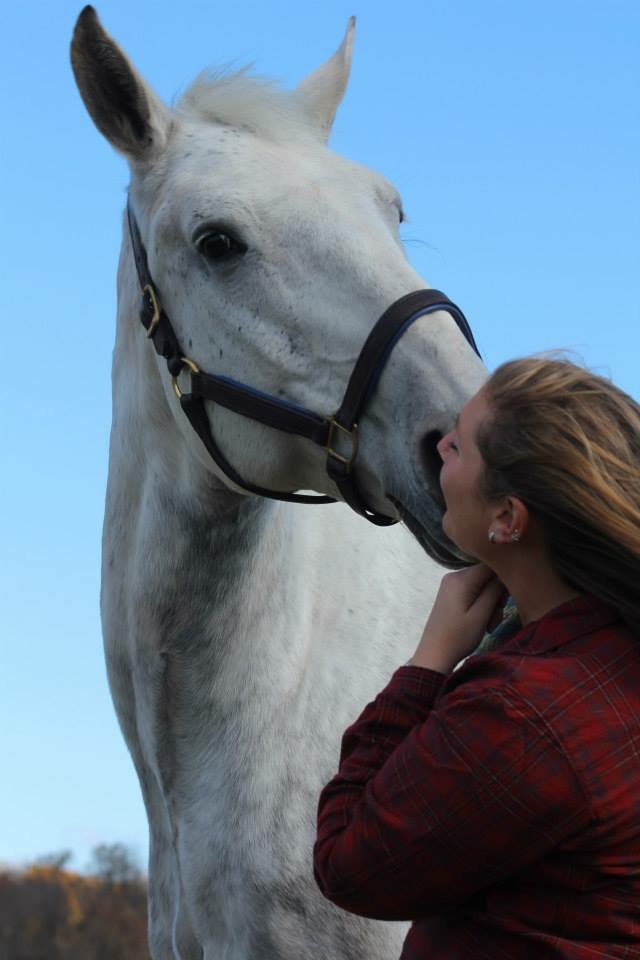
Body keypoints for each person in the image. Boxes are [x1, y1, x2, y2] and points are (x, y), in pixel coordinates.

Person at [313, 356, 640, 958]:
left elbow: (348, 862)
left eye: (459, 447)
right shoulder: (612, 652)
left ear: (507, 518)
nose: (438, 448)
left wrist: (428, 663)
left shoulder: (525, 715)